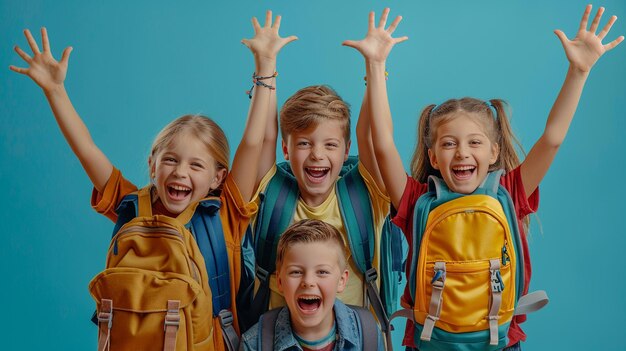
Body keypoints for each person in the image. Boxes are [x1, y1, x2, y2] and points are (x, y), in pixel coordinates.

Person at [344, 5, 623, 350]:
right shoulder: (416, 200)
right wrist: (376, 65)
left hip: (500, 341)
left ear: (493, 152)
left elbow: (552, 139)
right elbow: (382, 142)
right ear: (433, 156)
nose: (461, 153)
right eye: (448, 144)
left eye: (474, 143)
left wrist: (578, 72)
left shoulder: (510, 190)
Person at [9, 14, 295, 347]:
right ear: (152, 166)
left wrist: (265, 68)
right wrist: (56, 92)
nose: (179, 172)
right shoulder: (132, 205)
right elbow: (87, 151)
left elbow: (253, 142)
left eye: (196, 166)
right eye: (170, 160)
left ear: (219, 177)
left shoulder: (225, 212)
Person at [244, 9, 394, 333]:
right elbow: (263, 137)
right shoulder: (272, 193)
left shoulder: (362, 194)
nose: (317, 155)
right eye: (304, 144)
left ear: (346, 148)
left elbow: (375, 137)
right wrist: (265, 70)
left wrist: (376, 68)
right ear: (286, 149)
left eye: (330, 145)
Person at [240, 219, 385, 351]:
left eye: (322, 272)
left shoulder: (368, 334)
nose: (308, 282)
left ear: (341, 281)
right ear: (280, 281)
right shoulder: (253, 344)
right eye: (296, 272)